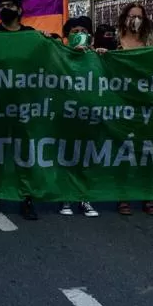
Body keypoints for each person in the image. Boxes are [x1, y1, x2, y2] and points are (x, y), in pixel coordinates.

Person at [0, 0, 39, 221]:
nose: (5, 9)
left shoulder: (31, 35)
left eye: (9, 6)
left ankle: (27, 199)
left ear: (20, 10)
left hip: (25, 104)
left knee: (24, 153)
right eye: (1, 6)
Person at [114, 2, 153, 216]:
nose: (135, 20)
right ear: (124, 17)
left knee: (147, 150)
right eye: (131, 16)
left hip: (145, 102)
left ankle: (147, 195)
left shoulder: (150, 40)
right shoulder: (116, 40)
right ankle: (123, 196)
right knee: (124, 150)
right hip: (122, 101)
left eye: (139, 16)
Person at [57, 15, 100, 218]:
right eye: (75, 32)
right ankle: (66, 196)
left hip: (89, 115)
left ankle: (84, 198)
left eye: (83, 31)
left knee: (85, 157)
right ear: (66, 36)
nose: (80, 35)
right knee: (66, 156)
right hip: (65, 115)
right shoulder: (59, 55)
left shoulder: (96, 56)